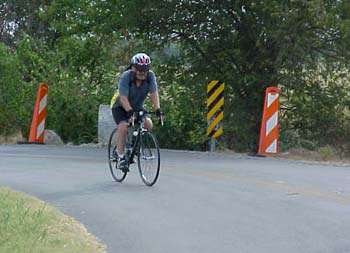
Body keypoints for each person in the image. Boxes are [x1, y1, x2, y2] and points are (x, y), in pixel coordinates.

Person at [111, 53, 163, 172]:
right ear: (133, 68)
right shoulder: (126, 76)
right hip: (119, 105)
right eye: (139, 69)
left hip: (137, 106)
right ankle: (120, 156)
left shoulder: (150, 76)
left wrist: (158, 110)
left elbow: (154, 94)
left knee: (148, 124)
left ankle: (133, 146)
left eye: (145, 70)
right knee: (123, 126)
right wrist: (129, 111)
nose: (142, 73)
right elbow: (123, 97)